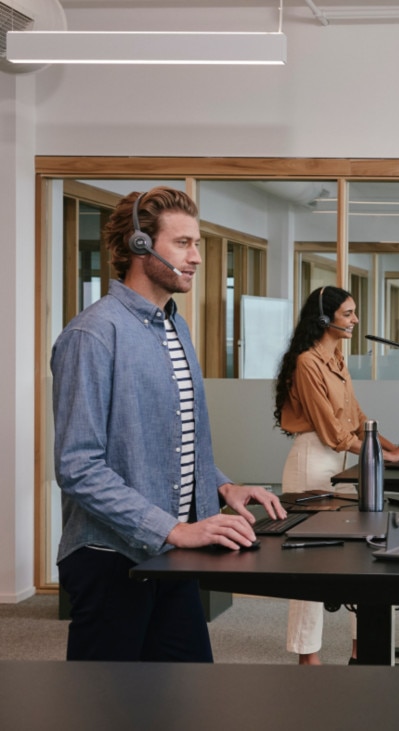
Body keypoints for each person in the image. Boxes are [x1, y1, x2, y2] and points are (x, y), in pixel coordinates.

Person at [52, 187, 285, 662]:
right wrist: (173, 530)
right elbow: (78, 466)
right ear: (140, 246)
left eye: (196, 243)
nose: (197, 257)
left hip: (171, 554)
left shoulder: (174, 326)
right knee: (105, 707)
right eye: (183, 243)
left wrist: (224, 487)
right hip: (111, 559)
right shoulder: (93, 335)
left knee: (187, 696)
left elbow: (176, 441)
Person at [274, 285, 399, 665]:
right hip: (314, 462)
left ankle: (361, 649)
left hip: (344, 461)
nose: (355, 320)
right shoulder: (307, 363)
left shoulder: (336, 358)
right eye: (348, 314)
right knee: (309, 565)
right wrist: (379, 457)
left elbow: (356, 417)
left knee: (359, 553)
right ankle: (308, 658)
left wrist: (389, 447)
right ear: (325, 318)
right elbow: (333, 432)